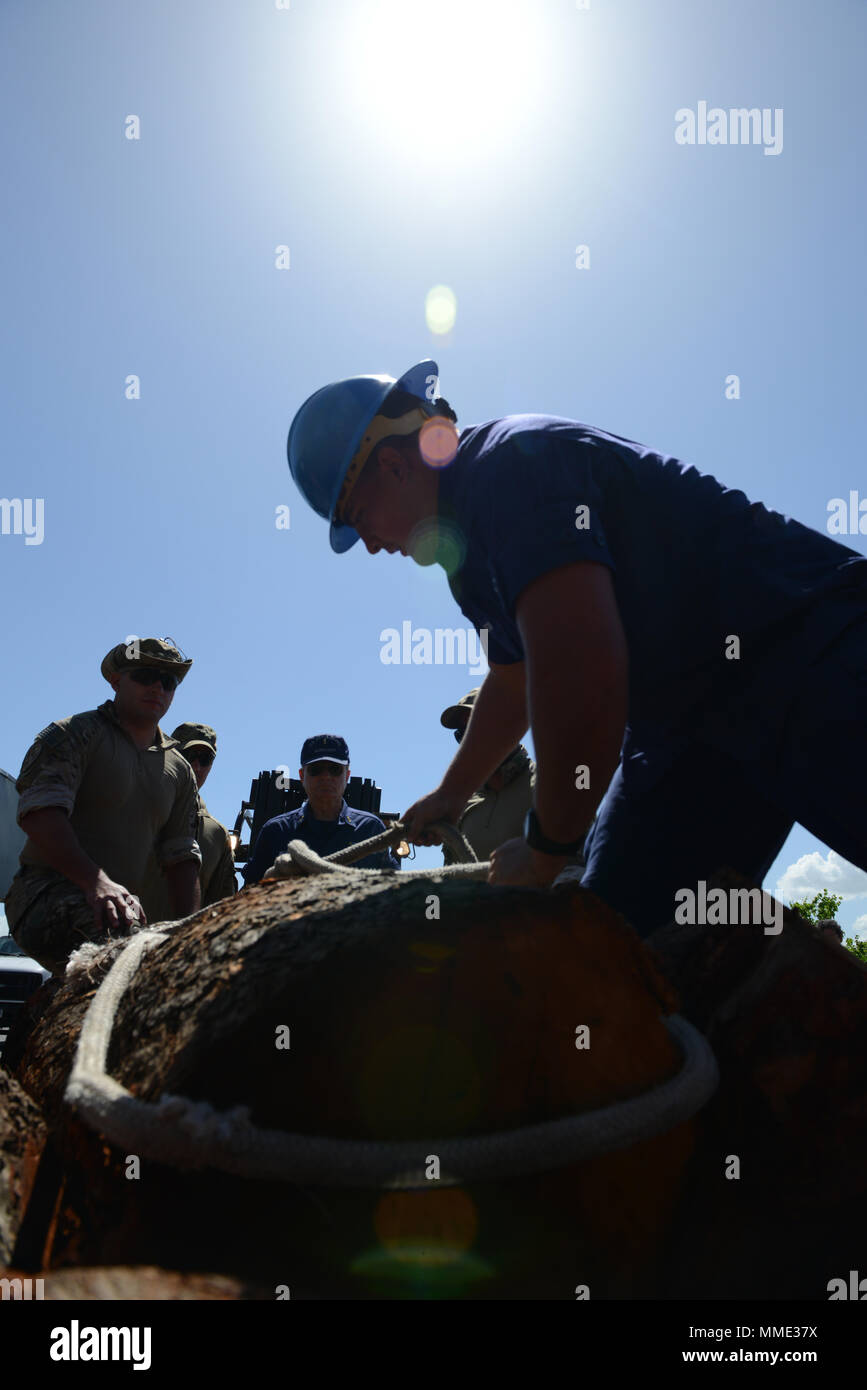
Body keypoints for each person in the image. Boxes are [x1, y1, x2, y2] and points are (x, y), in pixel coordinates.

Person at [285, 358, 867, 937]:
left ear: (392, 465)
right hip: (683, 726)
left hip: (805, 641)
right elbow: (513, 678)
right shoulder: (465, 559)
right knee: (613, 932)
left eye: (358, 519)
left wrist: (545, 850)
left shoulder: (510, 466)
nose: (368, 545)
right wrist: (452, 792)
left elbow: (582, 667)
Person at [4, 639, 202, 974]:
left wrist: (190, 932)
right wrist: (95, 883)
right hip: (45, 893)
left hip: (119, 909)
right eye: (145, 674)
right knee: (125, 954)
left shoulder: (180, 770)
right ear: (116, 680)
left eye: (168, 682)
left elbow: (181, 857)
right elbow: (40, 815)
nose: (158, 686)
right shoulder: (74, 735)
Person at [242, 735, 400, 884]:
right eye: (316, 769)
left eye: (335, 769)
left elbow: (392, 888)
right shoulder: (275, 832)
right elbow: (249, 894)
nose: (326, 776)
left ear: (347, 776)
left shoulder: (370, 830)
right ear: (302, 776)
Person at [142, 723, 237, 916]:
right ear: (172, 756)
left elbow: (221, 909)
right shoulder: (139, 811)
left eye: (205, 759)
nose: (196, 766)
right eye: (189, 756)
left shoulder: (217, 835)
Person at [439, 687, 539, 865]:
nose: (469, 743)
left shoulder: (547, 786)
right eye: (462, 735)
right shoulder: (461, 803)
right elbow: (450, 877)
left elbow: (577, 866)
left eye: (477, 729)